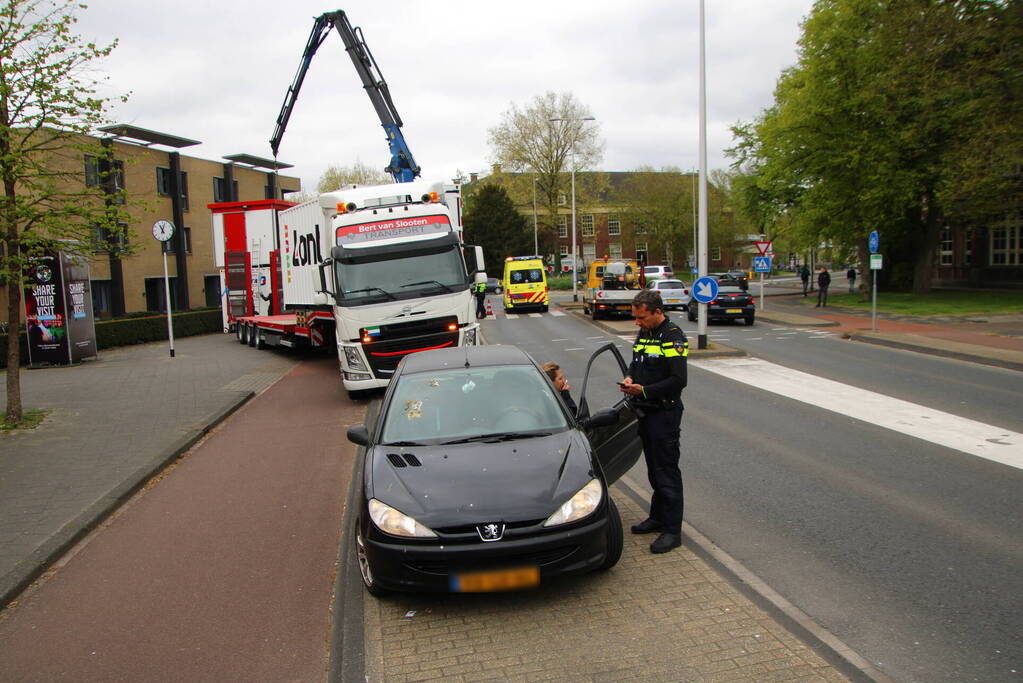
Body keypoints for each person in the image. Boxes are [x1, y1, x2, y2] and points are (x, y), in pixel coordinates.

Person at [618, 289, 688, 554]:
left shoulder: (672, 336)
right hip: (645, 410)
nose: (637, 322)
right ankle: (658, 517)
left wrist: (644, 391)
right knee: (653, 469)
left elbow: (679, 380)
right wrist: (628, 378)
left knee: (666, 471)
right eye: (635, 318)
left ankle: (672, 531)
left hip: (664, 413)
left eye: (641, 317)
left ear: (658, 312)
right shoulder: (645, 333)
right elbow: (636, 363)